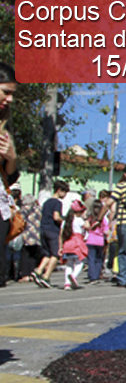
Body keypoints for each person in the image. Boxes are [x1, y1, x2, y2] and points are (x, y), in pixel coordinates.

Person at [0, 62, 18, 288]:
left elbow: (11, 178)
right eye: (6, 92)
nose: (10, 100)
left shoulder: (4, 126)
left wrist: (11, 158)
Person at [33, 180, 70, 288]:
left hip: (43, 229)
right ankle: (46, 276)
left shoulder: (46, 202)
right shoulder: (57, 202)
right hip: (52, 230)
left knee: (47, 254)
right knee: (55, 254)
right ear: (59, 191)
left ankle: (38, 271)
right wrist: (64, 220)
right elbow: (56, 216)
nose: (65, 195)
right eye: (64, 192)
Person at [60, 200, 89, 290]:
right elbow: (88, 226)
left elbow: (61, 234)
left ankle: (67, 283)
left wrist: (60, 246)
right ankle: (73, 275)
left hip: (67, 243)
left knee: (69, 264)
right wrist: (86, 219)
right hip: (77, 242)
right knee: (80, 262)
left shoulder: (66, 221)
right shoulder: (79, 220)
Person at [18, 194, 42, 284]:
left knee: (25, 255)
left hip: (27, 234)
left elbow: (21, 220)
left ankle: (25, 275)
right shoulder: (38, 208)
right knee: (33, 255)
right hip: (37, 234)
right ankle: (32, 273)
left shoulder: (24, 209)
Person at [86, 199, 110, 282]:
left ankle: (91, 276)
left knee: (91, 259)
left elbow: (86, 227)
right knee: (99, 259)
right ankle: (96, 275)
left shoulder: (90, 218)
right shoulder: (103, 219)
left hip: (90, 239)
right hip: (100, 241)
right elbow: (106, 231)